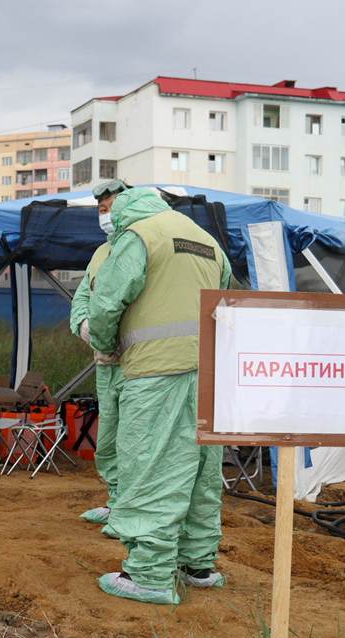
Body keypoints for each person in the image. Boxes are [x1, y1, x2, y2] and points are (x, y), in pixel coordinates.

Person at [87, 188, 231, 605]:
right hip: (207, 375)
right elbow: (224, 297)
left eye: (109, 212)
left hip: (155, 373)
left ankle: (148, 574)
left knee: (151, 468)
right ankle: (198, 564)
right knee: (201, 473)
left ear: (124, 212)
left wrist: (104, 342)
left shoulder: (139, 236)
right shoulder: (207, 241)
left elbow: (106, 303)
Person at [68, 178, 128, 527]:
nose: (106, 216)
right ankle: (116, 500)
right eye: (101, 211)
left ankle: (130, 508)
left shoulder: (140, 246)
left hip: (136, 365)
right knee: (107, 440)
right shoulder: (100, 254)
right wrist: (86, 328)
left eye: (111, 209)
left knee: (134, 441)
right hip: (105, 364)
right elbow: (83, 300)